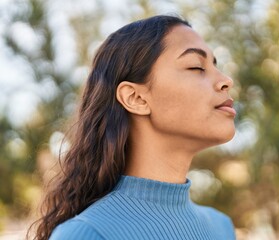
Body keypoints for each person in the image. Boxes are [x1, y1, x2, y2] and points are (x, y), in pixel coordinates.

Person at [29, 15, 237, 240]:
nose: (226, 80)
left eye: (216, 66)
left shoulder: (221, 227)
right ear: (136, 98)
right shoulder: (87, 234)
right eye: (196, 67)